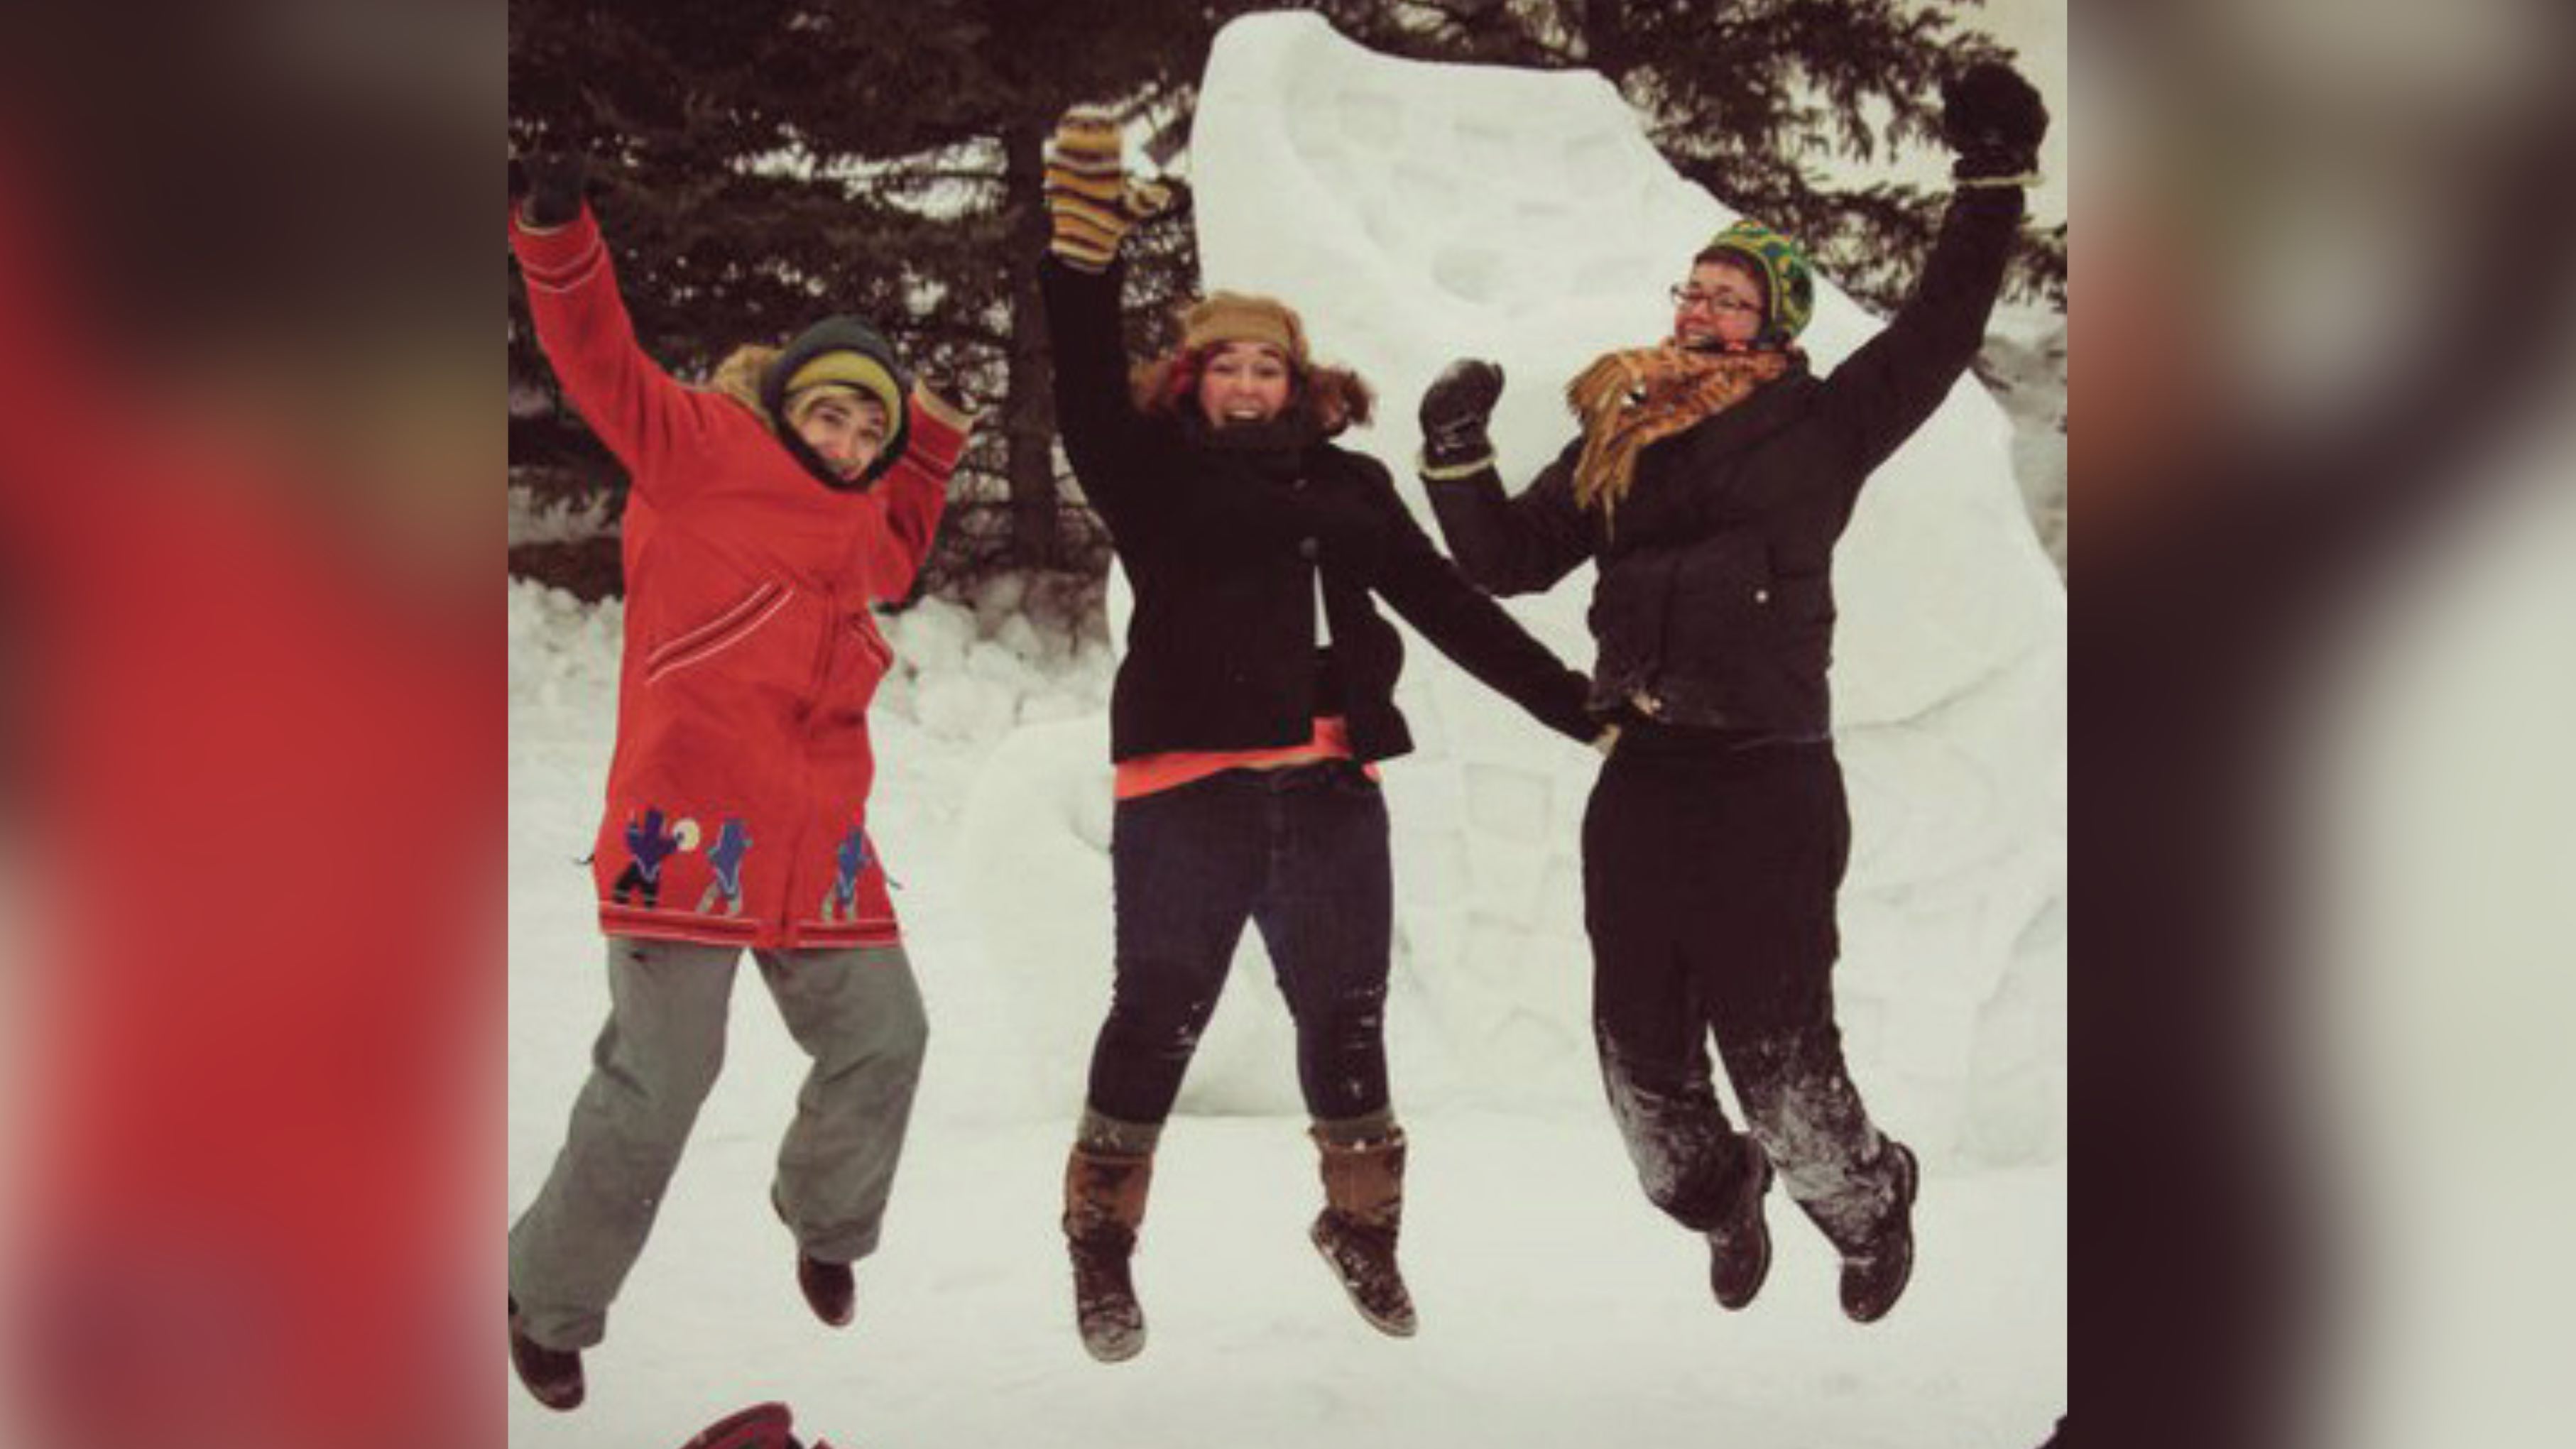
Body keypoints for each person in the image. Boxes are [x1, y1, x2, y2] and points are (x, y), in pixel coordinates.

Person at [1410, 62, 2050, 1325]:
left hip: (1769, 775)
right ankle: (1718, 1196)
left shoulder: (1829, 423)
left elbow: (1938, 325)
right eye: (1694, 288)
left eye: (1732, 293)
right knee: (1640, 1069)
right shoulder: (1621, 429)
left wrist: (1988, 183)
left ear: (1778, 321)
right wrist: (1456, 454)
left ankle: (1868, 1201)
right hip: (1645, 774)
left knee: (1780, 1057)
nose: (1703, 307)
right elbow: (1507, 561)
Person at [1039, 106, 1611, 1362]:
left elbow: (1449, 606)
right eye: (1225, 365)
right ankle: (1102, 1243)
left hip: (1330, 787)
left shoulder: (1352, 487)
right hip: (1188, 789)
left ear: (1298, 381)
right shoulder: (1147, 468)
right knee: (1159, 1014)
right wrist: (1084, 262)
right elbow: (1082, 376)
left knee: (1346, 1013)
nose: (1247, 383)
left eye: (1269, 366)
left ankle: (1362, 1227)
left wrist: (1577, 704)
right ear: (1192, 380)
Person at [503, 153, 976, 1410]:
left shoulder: (865, 515)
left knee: (888, 1035)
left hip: (817, 843)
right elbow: (598, 357)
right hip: (686, 831)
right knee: (660, 1085)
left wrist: (923, 443)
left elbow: (900, 556)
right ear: (785, 402)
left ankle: (821, 1216)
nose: (851, 439)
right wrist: (559, 239)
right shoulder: (698, 449)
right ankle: (544, 1297)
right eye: (834, 413)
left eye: (871, 427)